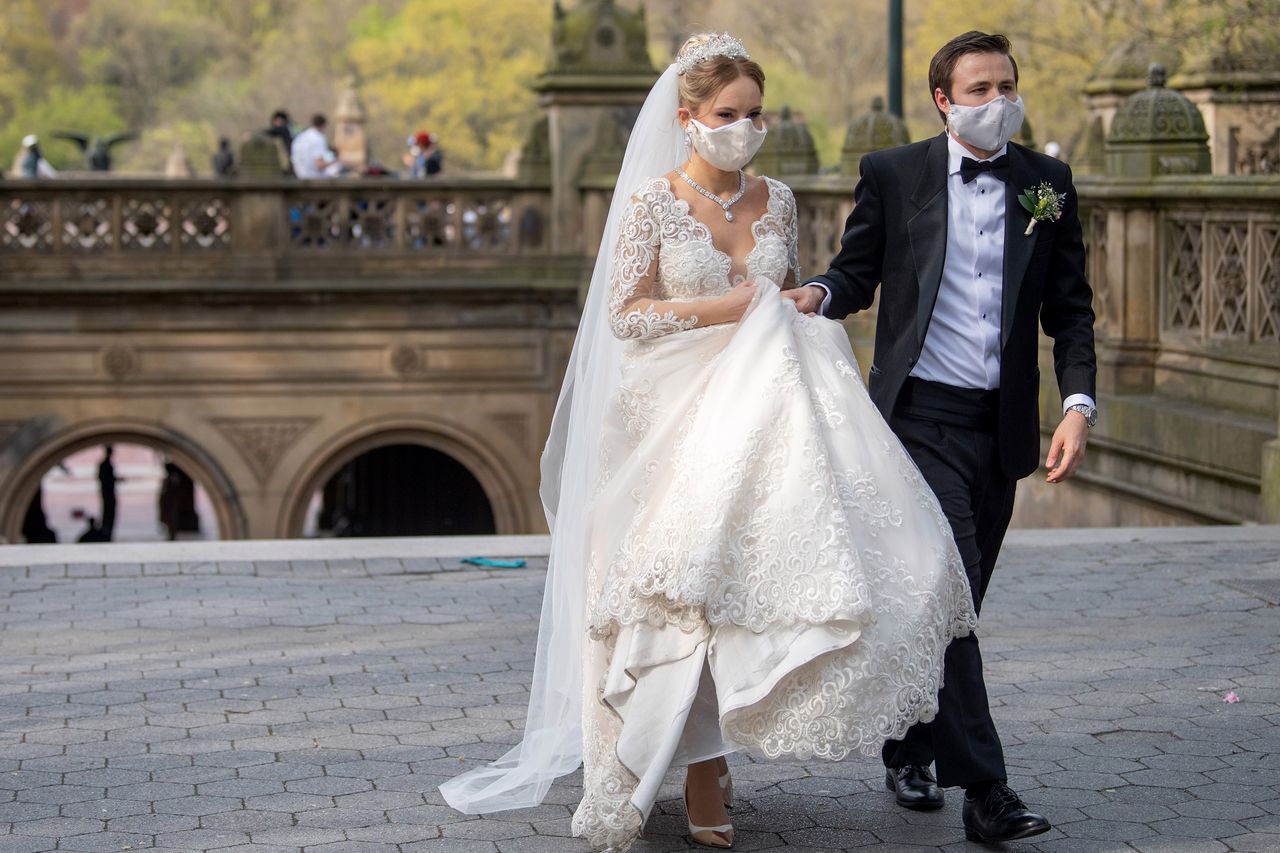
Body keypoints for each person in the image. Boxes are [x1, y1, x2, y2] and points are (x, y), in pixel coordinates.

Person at [441, 33, 978, 852]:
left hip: (766, 403)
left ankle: (712, 760)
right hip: (669, 410)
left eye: (756, 113)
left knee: (755, 576)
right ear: (688, 118)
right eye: (728, 113)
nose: (745, 127)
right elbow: (626, 314)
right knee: (671, 592)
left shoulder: (781, 198)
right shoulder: (653, 202)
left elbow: (786, 298)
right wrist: (717, 309)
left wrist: (791, 303)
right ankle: (646, 760)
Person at [785, 30, 1097, 845]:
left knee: (951, 604)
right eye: (981, 88)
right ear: (944, 100)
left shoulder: (1048, 184)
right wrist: (818, 291)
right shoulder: (895, 173)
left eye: (1007, 85)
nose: (999, 101)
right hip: (916, 421)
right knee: (948, 591)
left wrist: (1078, 405)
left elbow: (1071, 309)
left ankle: (908, 743)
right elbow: (858, 270)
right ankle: (988, 792)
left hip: (998, 430)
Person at [290, 114, 331, 179]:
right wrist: (334, 160)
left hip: (299, 177)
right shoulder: (318, 137)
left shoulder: (300, 137)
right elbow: (319, 164)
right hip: (314, 178)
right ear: (323, 125)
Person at [97, 445, 119, 542]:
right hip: (108, 493)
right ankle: (106, 534)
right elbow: (105, 479)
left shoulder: (105, 464)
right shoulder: (105, 464)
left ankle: (107, 534)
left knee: (108, 513)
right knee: (109, 513)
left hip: (107, 493)